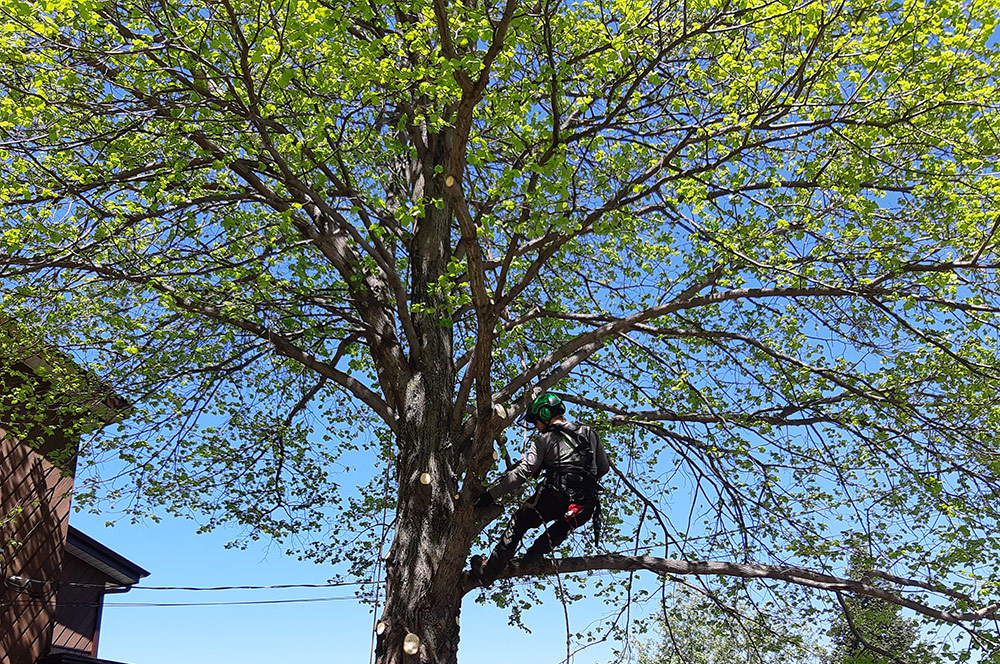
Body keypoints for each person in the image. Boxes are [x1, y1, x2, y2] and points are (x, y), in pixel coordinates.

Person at [471, 393, 609, 585]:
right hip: (585, 504)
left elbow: (522, 473)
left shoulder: (544, 440)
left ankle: (488, 572)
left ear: (544, 414)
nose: (536, 426)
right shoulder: (589, 433)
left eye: (536, 421)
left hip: (554, 498)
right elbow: (603, 468)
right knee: (564, 526)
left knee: (518, 523)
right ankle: (533, 557)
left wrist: (490, 495)